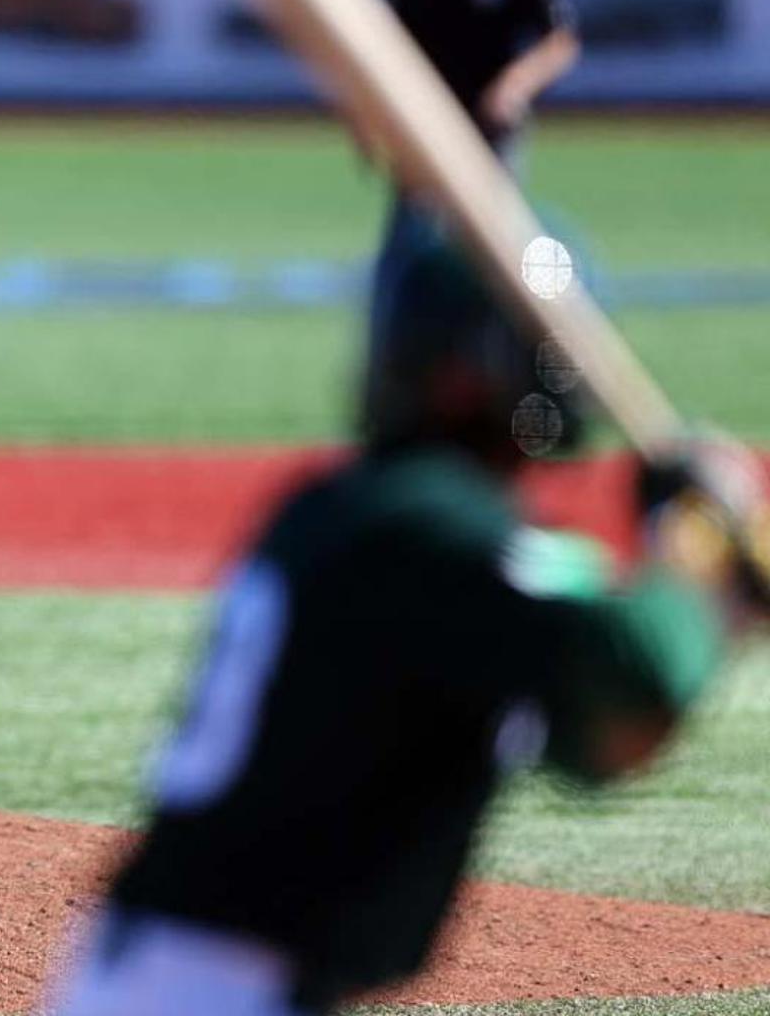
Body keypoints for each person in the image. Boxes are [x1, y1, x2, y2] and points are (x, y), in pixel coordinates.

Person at [43, 232, 767, 1015]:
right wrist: (696, 556)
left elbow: (605, 740)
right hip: (211, 988)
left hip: (197, 978)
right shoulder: (418, 526)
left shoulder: (381, 516)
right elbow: (642, 662)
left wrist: (693, 572)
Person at [369, 0, 581, 347]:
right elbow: (382, 50)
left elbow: (560, 41)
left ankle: (525, 351)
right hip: (428, 133)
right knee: (408, 249)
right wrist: (376, 124)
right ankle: (395, 358)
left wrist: (515, 83)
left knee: (502, 242)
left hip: (492, 133)